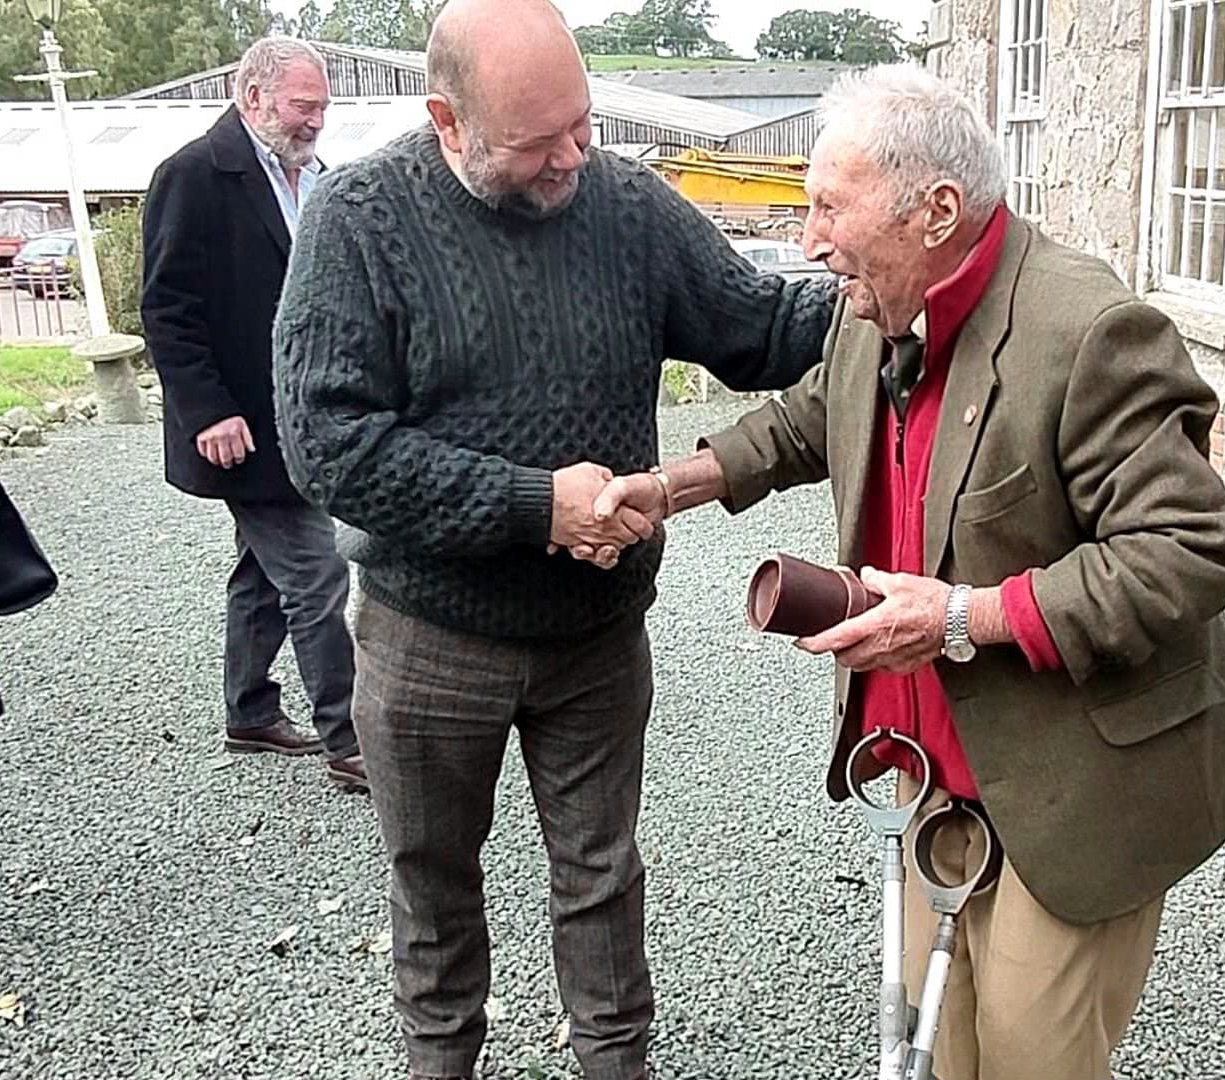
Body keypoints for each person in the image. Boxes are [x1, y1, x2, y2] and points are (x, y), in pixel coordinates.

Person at [591, 65, 1225, 1080]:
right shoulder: (877, 308)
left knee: (1028, 1057)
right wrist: (673, 486)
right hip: (932, 767)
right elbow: (815, 413)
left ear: (937, 211)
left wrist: (963, 615)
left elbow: (1190, 549)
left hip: (1077, 779)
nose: (810, 239)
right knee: (937, 1054)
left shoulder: (1089, 333)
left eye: (830, 206)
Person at [269, 2, 837, 1075]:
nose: (574, 154)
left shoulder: (625, 204)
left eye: (582, 123)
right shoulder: (359, 221)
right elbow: (327, 447)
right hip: (428, 643)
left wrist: (891, 276)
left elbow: (756, 327)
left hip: (596, 638)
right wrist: (538, 505)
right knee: (433, 894)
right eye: (540, 141)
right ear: (447, 119)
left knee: (601, 879)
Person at [141, 37, 366, 792]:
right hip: (242, 427)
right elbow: (166, 310)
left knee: (263, 574)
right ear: (254, 98)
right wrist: (207, 410)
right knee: (317, 571)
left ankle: (248, 710)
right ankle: (351, 738)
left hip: (303, 419)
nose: (316, 122)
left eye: (323, 107)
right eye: (305, 106)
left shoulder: (315, 178)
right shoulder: (193, 175)